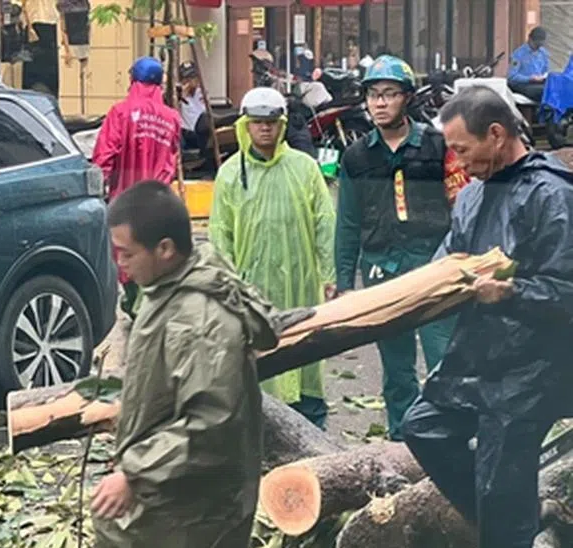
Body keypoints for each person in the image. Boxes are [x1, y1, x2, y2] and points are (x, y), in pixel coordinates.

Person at [30, 180, 299, 548]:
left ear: (167, 249)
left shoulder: (200, 319)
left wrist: (135, 472)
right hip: (155, 499)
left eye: (126, 254)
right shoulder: (166, 290)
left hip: (193, 507)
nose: (118, 264)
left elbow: (211, 421)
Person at [402, 86, 573, 548]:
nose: (457, 160)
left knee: (501, 481)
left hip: (536, 362)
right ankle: (513, 510)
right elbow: (448, 262)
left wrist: (514, 293)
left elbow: (566, 292)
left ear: (496, 135)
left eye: (462, 147)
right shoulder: (473, 196)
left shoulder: (551, 196)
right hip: (480, 355)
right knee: (422, 426)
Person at [335, 55, 470, 440]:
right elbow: (347, 223)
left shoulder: (436, 145)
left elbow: (462, 207)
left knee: (445, 360)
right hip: (381, 271)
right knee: (396, 371)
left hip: (434, 268)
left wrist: (461, 265)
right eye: (373, 95)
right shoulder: (356, 156)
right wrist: (344, 282)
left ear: (407, 98)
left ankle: (450, 438)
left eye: (389, 94)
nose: (379, 103)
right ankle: (403, 441)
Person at [210, 87, 336, 429]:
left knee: (306, 357)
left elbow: (325, 224)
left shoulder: (304, 169)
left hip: (301, 283)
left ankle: (314, 434)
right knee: (258, 363)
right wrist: (226, 284)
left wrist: (329, 275)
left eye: (271, 122)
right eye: (257, 122)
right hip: (253, 289)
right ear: (245, 126)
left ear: (282, 124)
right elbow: (221, 234)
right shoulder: (231, 174)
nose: (264, 128)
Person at [91, 56, 182, 316]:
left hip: (126, 200)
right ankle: (147, 303)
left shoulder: (120, 113)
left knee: (126, 255)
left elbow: (105, 155)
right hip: (157, 198)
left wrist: (100, 188)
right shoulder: (171, 117)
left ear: (133, 80)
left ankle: (136, 304)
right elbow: (171, 161)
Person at [509, 27, 549, 103]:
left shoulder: (543, 53)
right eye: (535, 45)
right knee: (542, 92)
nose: (537, 49)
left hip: (538, 83)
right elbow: (512, 77)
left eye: (539, 46)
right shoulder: (518, 54)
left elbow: (545, 71)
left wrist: (544, 77)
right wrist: (530, 78)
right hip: (522, 84)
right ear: (530, 39)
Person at [177, 61, 210, 152]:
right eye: (186, 78)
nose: (190, 81)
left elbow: (203, 113)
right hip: (185, 133)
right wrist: (182, 97)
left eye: (192, 77)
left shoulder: (201, 92)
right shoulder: (178, 94)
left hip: (201, 132)